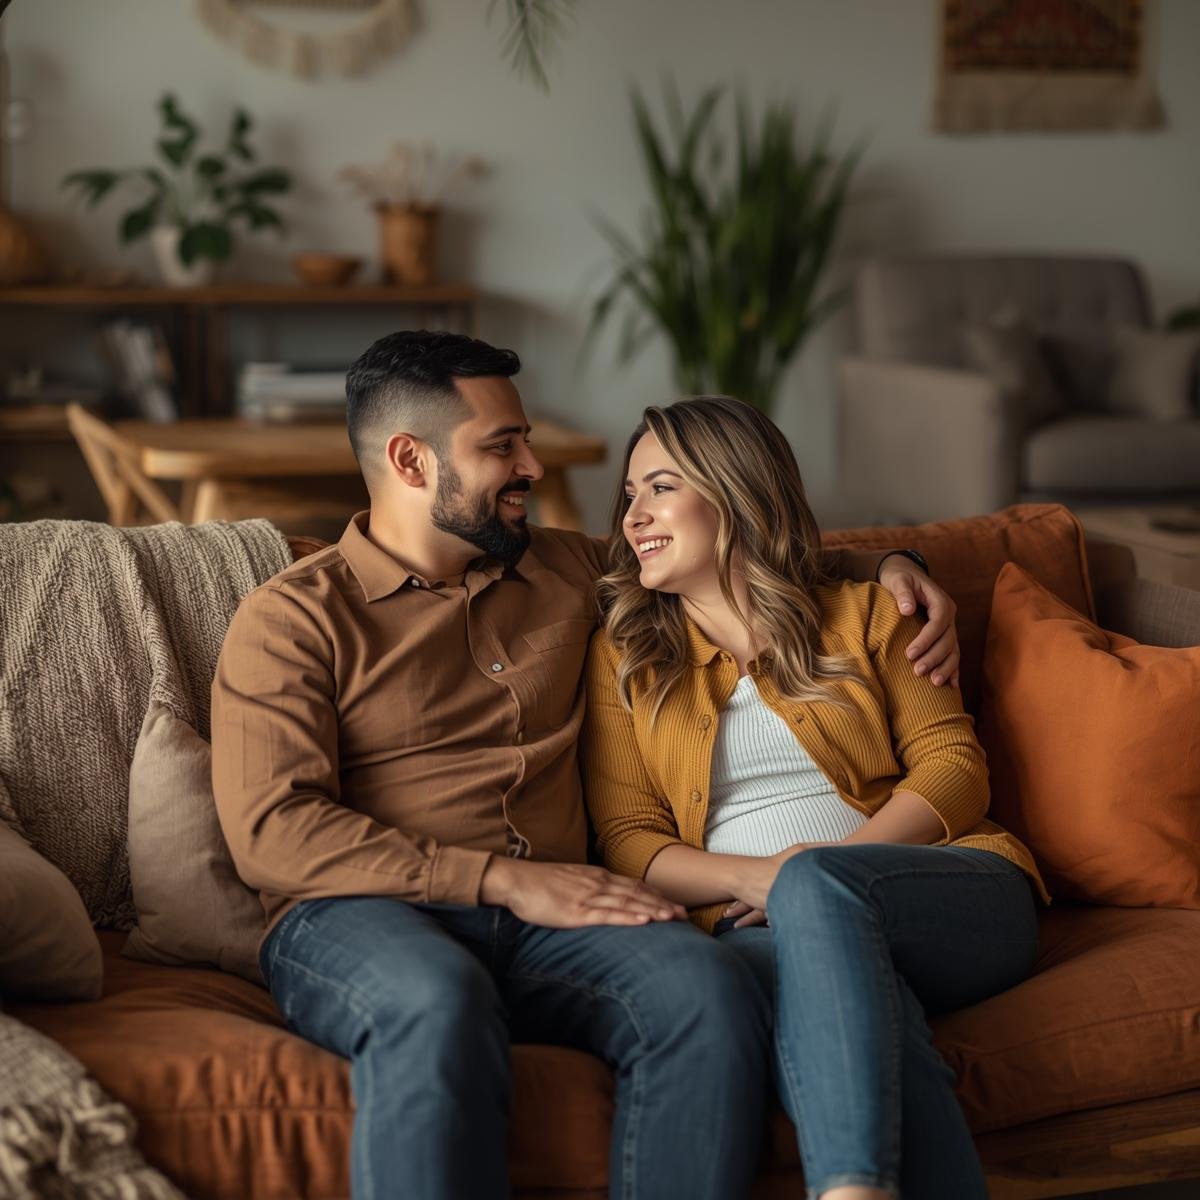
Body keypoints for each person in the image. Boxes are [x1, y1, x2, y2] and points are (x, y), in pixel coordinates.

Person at [211, 333, 964, 1200]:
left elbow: (738, 549)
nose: (533, 466)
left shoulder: (567, 568)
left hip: (558, 920)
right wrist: (501, 880)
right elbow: (272, 832)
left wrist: (896, 567)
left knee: (707, 991)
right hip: (360, 913)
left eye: (525, 440)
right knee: (436, 1000)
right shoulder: (294, 620)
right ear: (411, 460)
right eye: (502, 446)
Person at [582, 396, 1049, 1200]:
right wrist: (755, 881)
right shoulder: (624, 656)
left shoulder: (869, 612)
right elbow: (627, 838)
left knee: (819, 907)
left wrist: (814, 874)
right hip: (749, 927)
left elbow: (953, 769)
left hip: (948, 889)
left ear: (735, 490)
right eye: (629, 495)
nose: (633, 516)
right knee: (868, 1007)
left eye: (659, 488)